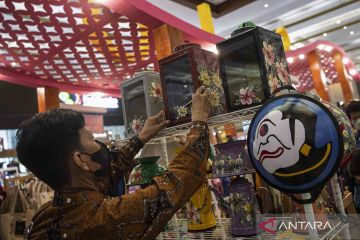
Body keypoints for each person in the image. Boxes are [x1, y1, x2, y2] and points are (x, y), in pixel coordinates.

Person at [16, 87, 211, 239]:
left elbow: (108, 171)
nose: (102, 146)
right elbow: (178, 180)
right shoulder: (105, 219)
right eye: (91, 139)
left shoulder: (44, 217)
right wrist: (199, 122)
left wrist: (140, 138)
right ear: (81, 161)